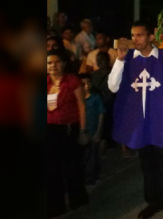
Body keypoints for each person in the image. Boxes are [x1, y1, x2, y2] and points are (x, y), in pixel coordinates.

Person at [107, 21, 163, 219]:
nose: (135, 40)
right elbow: (112, 86)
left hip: (162, 121)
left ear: (151, 37)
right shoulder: (128, 60)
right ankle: (155, 201)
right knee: (148, 166)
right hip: (141, 124)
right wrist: (119, 60)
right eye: (133, 36)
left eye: (140, 35)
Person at [47, 50, 89, 217]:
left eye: (56, 62)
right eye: (49, 63)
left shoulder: (72, 81)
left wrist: (83, 130)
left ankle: (77, 199)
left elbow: (81, 105)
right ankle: (56, 206)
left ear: (63, 63)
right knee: (52, 170)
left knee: (71, 167)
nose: (53, 66)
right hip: (50, 130)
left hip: (69, 129)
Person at [80, 73, 105, 185]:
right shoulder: (78, 100)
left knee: (95, 155)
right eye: (83, 84)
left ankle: (94, 176)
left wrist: (98, 132)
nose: (86, 86)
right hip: (83, 133)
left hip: (94, 131)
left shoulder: (95, 97)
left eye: (88, 83)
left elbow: (101, 114)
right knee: (85, 156)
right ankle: (87, 176)